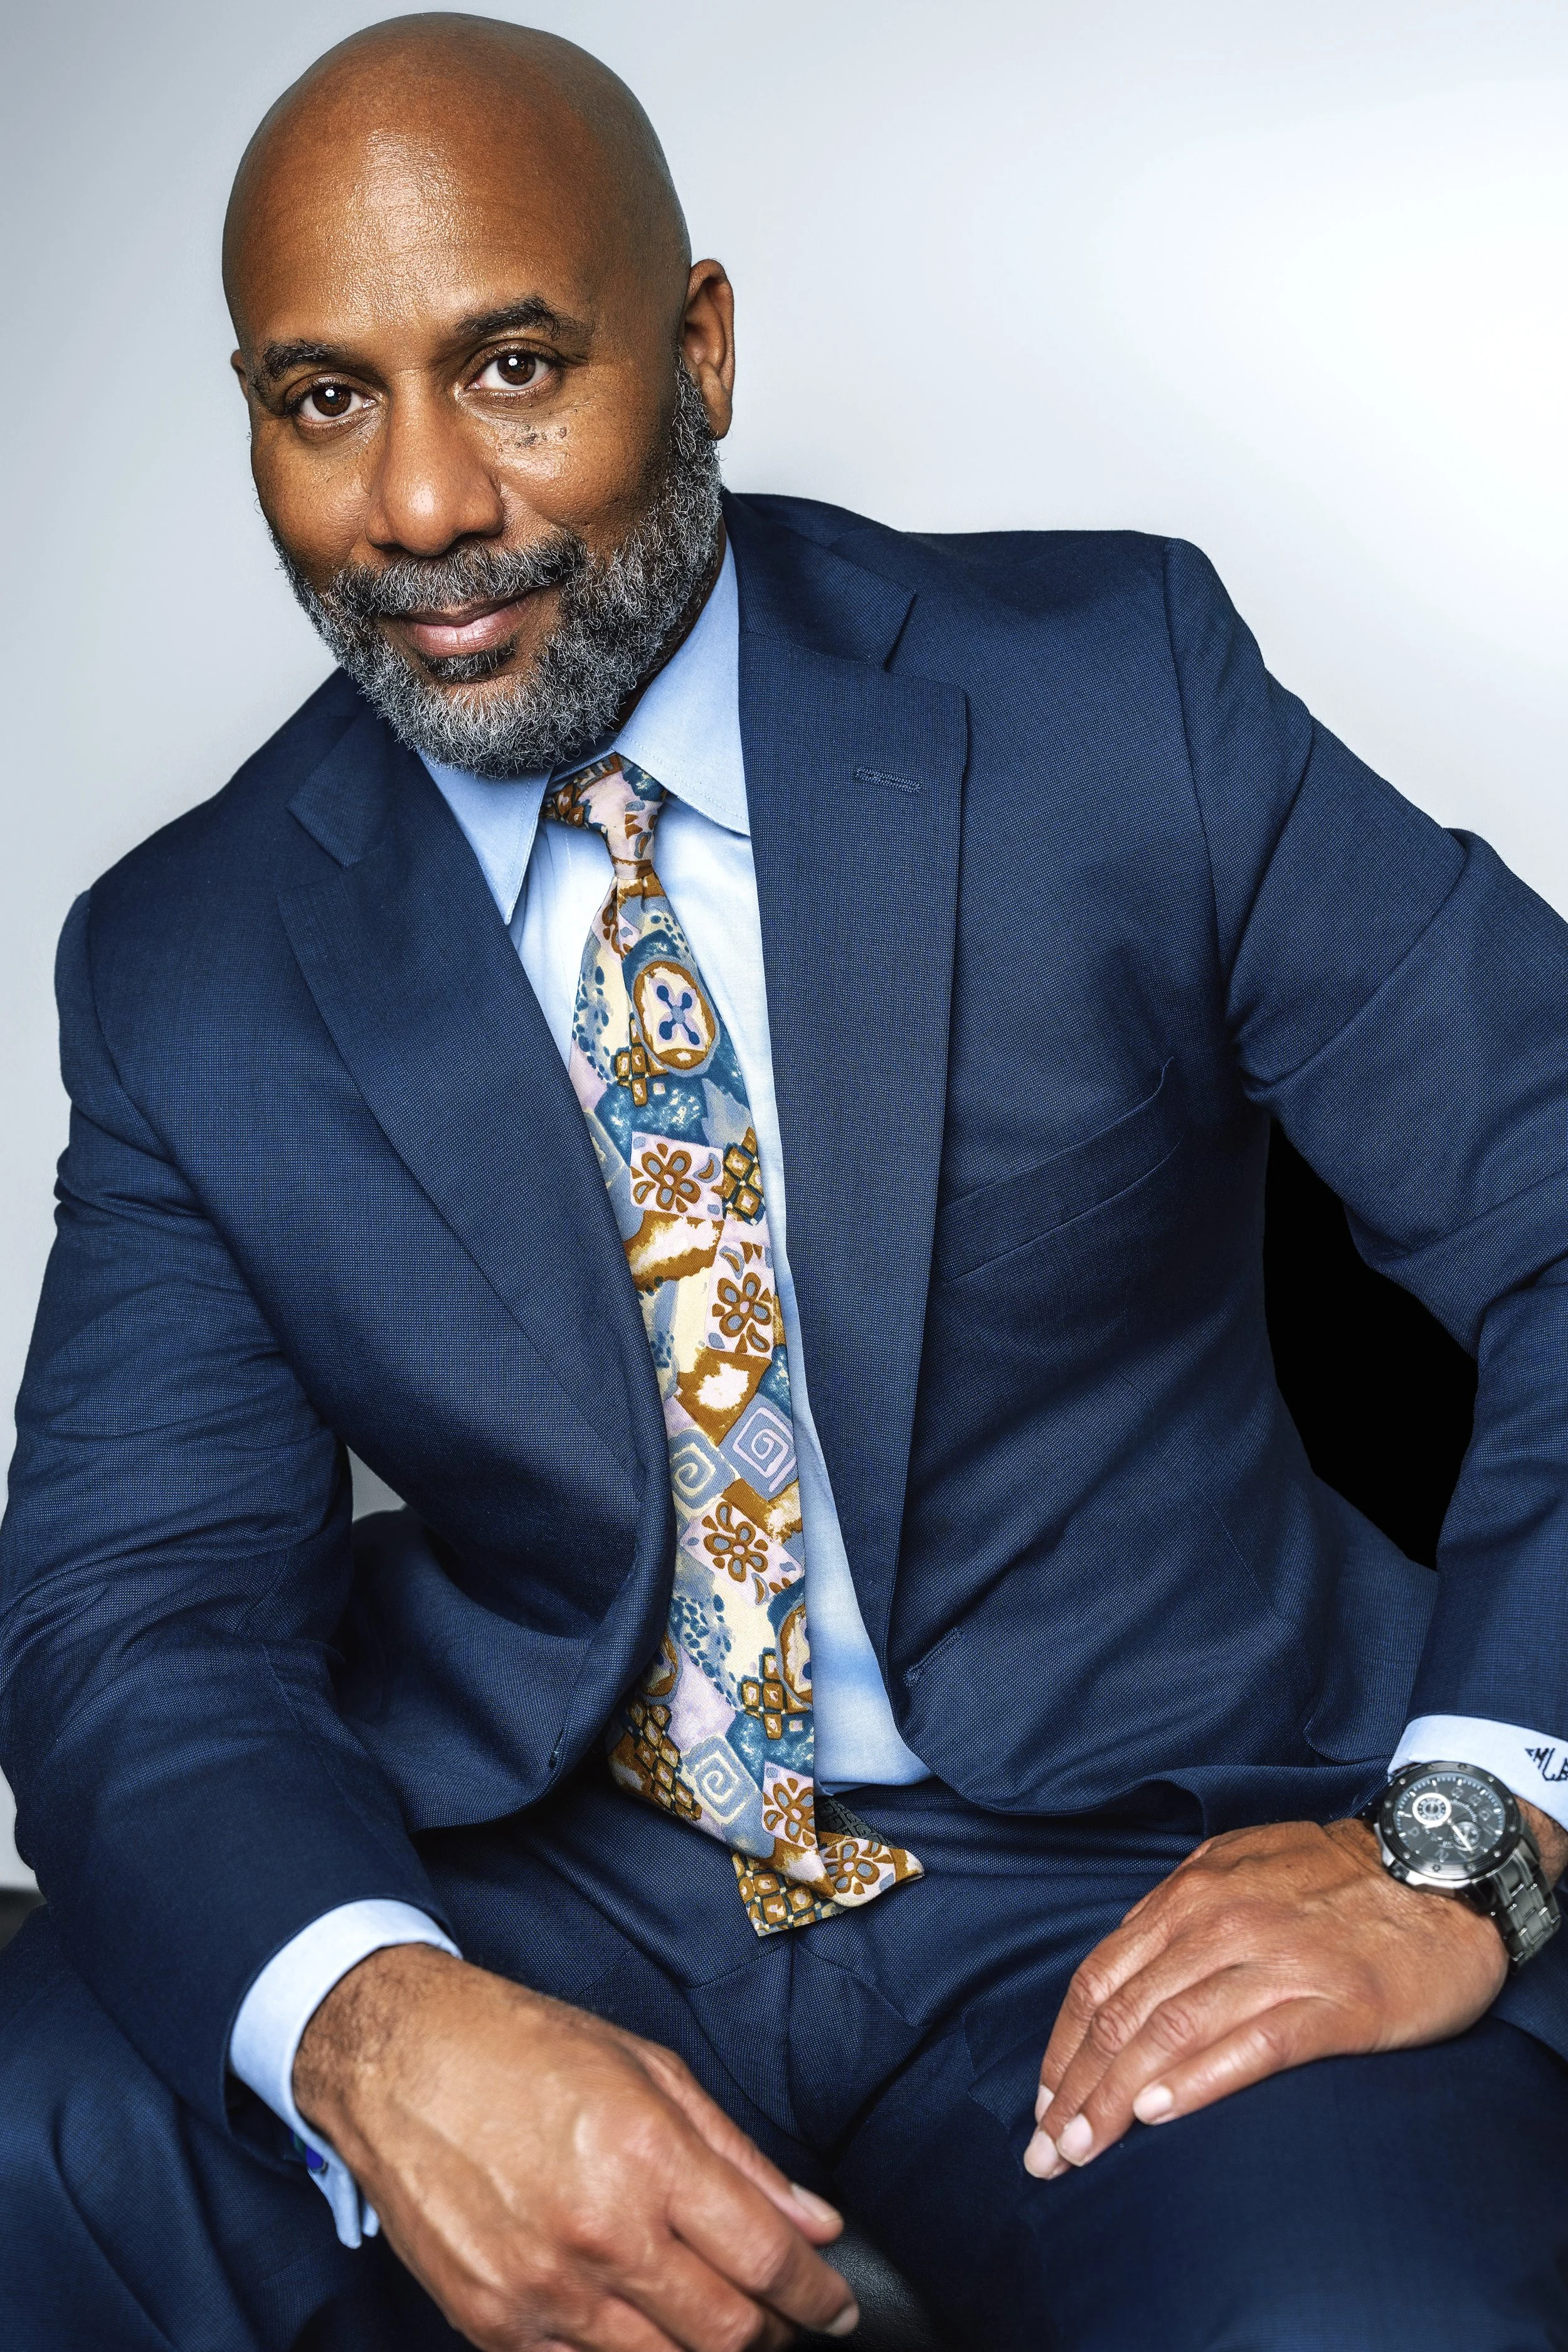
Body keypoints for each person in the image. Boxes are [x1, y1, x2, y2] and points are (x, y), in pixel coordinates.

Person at [4, 13, 1568, 2348]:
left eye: (514, 364)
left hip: (1131, 1860)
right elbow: (135, 1608)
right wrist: (369, 2020)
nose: (422, 506)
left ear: (703, 346)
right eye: (325, 397)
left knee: (1373, 2305)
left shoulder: (1105, 691)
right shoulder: (192, 954)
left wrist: (1462, 1842)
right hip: (532, 1884)